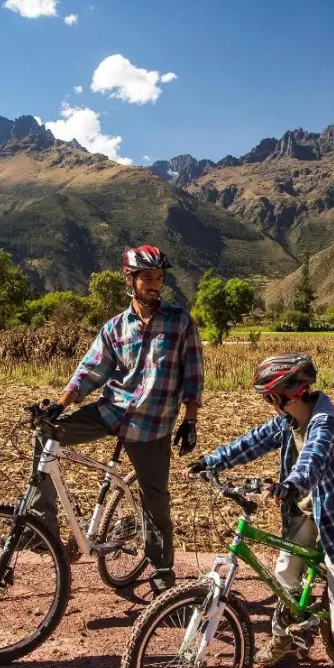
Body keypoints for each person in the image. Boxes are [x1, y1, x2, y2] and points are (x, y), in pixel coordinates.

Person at [190, 353, 334, 668]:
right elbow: (253, 441)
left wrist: (289, 485)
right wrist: (211, 461)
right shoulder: (288, 422)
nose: (268, 404)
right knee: (285, 570)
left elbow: (312, 461)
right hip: (303, 510)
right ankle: (286, 637)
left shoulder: (327, 423)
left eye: (269, 397)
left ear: (286, 394)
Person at [37, 245, 202, 596]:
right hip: (111, 411)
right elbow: (90, 370)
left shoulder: (179, 321)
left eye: (159, 278)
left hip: (153, 423)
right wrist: (61, 403)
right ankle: (42, 525)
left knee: (154, 499)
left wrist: (190, 420)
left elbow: (193, 374)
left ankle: (161, 569)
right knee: (46, 434)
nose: (154, 285)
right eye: (147, 279)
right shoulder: (115, 327)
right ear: (130, 280)